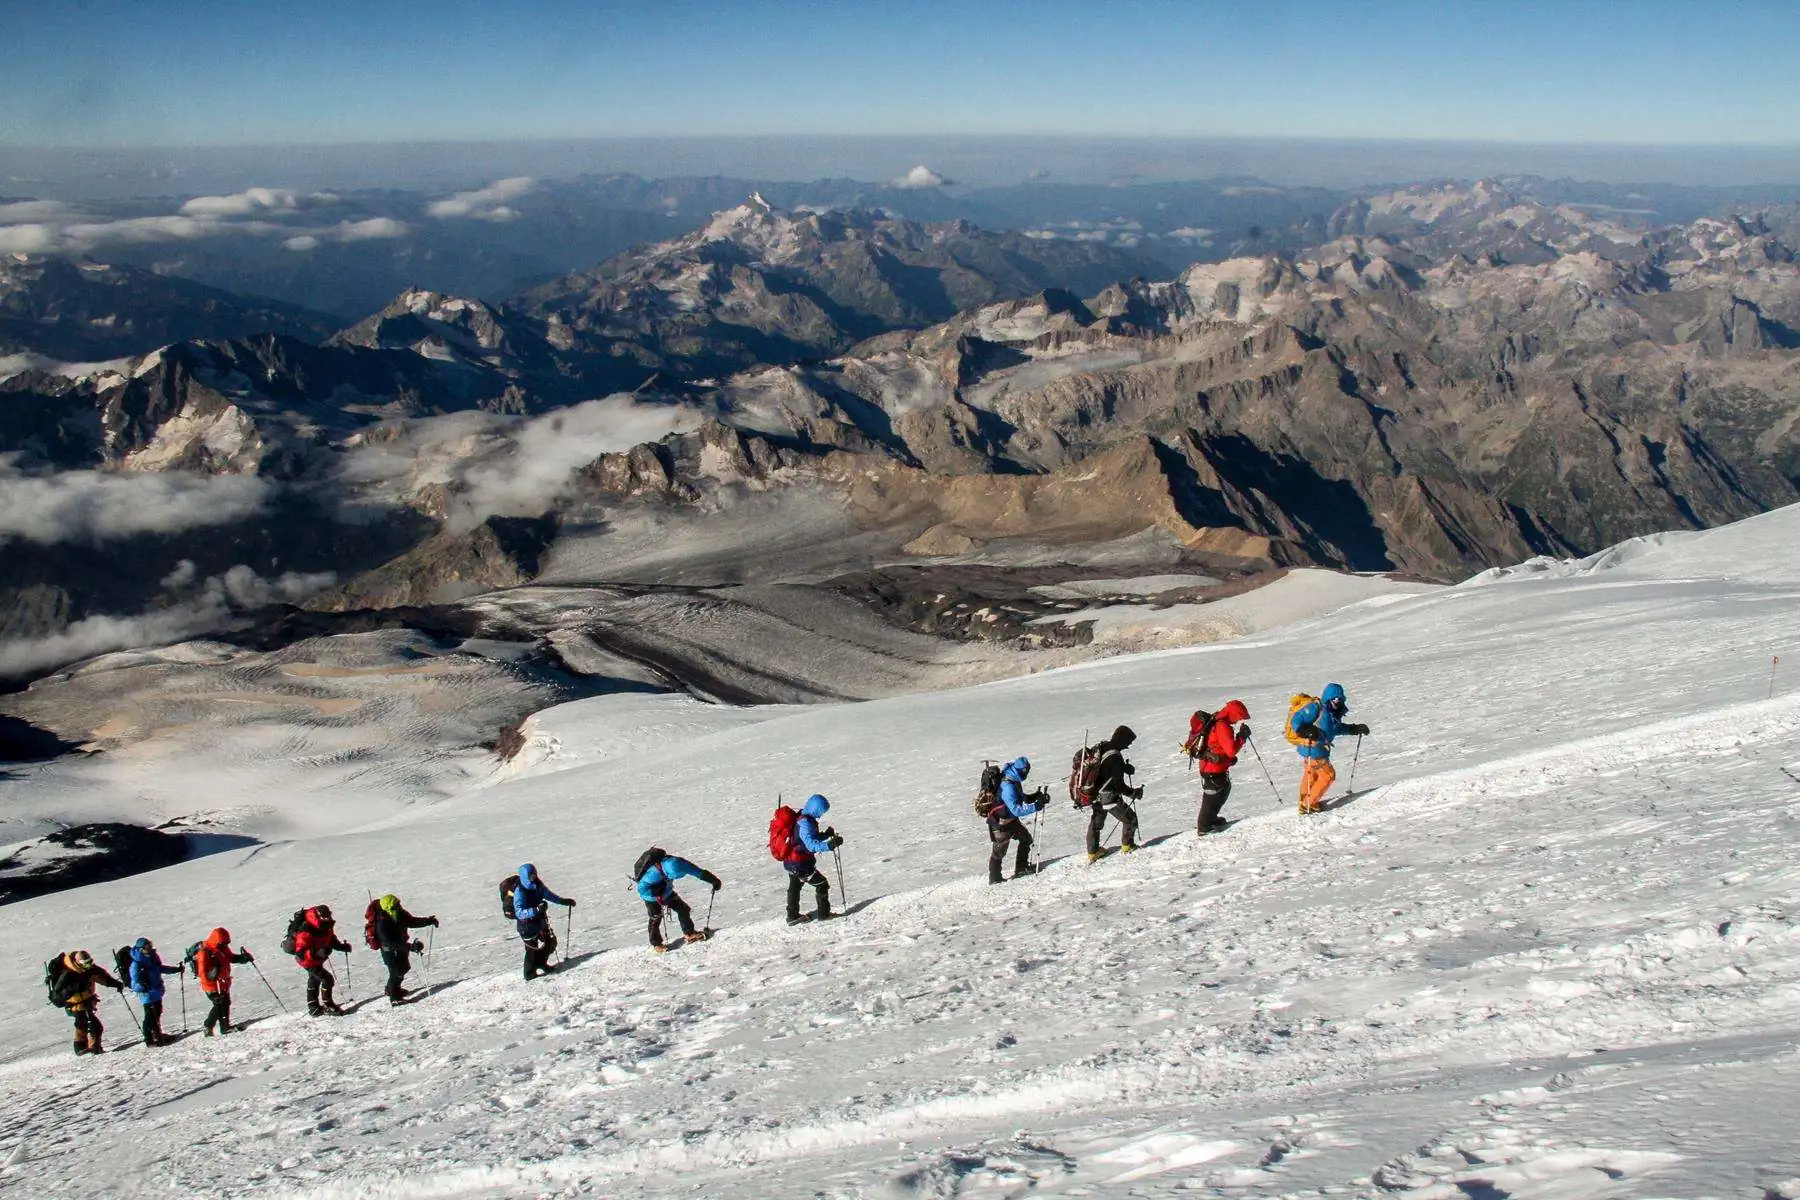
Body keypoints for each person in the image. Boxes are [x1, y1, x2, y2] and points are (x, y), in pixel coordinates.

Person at [1290, 682, 1370, 814]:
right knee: (1328, 775)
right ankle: (1308, 804)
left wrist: (1353, 729)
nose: (1337, 700)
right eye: (1334, 698)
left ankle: (1304, 802)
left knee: (1312, 775)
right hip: (1314, 748)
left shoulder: (1333, 713)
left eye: (1339, 698)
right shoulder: (1317, 708)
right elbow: (1296, 720)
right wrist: (1304, 729)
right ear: (1328, 697)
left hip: (1316, 749)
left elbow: (1335, 729)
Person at [634, 850, 721, 951]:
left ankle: (690, 933)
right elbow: (641, 889)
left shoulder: (682, 864)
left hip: (667, 891)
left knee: (683, 909)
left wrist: (714, 881)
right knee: (656, 917)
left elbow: (699, 873)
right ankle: (656, 944)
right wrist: (655, 893)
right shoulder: (653, 873)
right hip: (650, 897)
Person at [777, 794, 842, 925]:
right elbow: (810, 845)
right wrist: (829, 845)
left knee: (794, 887)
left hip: (791, 861)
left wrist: (825, 835)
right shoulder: (805, 823)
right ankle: (824, 914)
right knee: (822, 884)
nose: (821, 814)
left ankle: (792, 915)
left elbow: (807, 839)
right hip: (801, 864)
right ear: (816, 809)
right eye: (821, 811)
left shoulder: (803, 817)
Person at [46, 949, 124, 1056]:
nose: (89, 965)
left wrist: (116, 984)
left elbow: (101, 977)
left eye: (90, 962)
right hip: (75, 1005)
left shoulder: (88, 969)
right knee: (93, 1026)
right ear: (78, 963)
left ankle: (82, 1049)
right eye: (86, 963)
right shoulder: (67, 974)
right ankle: (93, 1049)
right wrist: (75, 987)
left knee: (83, 1025)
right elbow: (57, 998)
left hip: (87, 1002)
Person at [1193, 700, 1252, 834]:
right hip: (1212, 768)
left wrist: (1228, 760)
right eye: (1239, 716)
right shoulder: (1222, 726)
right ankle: (1204, 827)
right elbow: (1230, 750)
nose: (1239, 720)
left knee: (1220, 791)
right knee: (1214, 795)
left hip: (1211, 766)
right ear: (1233, 714)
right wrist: (1241, 738)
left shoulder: (1217, 719)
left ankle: (1210, 820)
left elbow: (1221, 748)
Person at [1085, 726, 1143, 861]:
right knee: (1130, 819)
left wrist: (1125, 768)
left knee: (1096, 824)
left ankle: (1093, 852)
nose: (1128, 746)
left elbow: (1107, 768)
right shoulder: (1116, 757)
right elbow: (1119, 785)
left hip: (1095, 795)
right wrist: (1133, 793)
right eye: (1128, 742)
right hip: (1109, 797)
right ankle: (1127, 846)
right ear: (1122, 740)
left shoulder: (1104, 747)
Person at [989, 757, 1049, 884]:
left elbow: (1021, 798)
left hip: (1010, 820)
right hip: (1001, 824)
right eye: (1025, 771)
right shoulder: (1008, 786)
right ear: (1019, 770)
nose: (1026, 774)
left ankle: (1021, 868)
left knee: (1026, 839)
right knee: (999, 852)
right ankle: (994, 879)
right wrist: (1036, 806)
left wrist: (1035, 797)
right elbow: (1016, 809)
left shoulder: (1013, 779)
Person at [372, 894, 439, 1005]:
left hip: (401, 944)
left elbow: (411, 921)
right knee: (395, 971)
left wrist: (428, 921)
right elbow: (390, 943)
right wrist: (410, 947)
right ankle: (395, 998)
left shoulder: (400, 913)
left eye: (398, 904)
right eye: (395, 906)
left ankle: (391, 989)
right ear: (387, 908)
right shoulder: (382, 923)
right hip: (388, 949)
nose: (398, 907)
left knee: (404, 967)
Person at [512, 863, 576, 980]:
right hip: (526, 926)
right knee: (532, 950)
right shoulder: (520, 892)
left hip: (539, 922)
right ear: (526, 876)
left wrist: (564, 901)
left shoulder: (537, 885)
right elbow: (519, 913)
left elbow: (549, 895)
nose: (534, 877)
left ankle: (541, 963)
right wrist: (536, 910)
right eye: (531, 876)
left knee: (550, 942)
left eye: (535, 875)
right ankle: (529, 974)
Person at [291, 905, 353, 1016]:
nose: (327, 918)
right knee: (327, 980)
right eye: (324, 917)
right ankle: (328, 1005)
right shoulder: (306, 929)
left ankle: (313, 1008)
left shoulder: (326, 925)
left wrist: (342, 947)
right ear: (318, 917)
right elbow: (300, 952)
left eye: (328, 916)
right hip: (308, 961)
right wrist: (317, 953)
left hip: (317, 959)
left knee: (314, 980)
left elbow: (331, 940)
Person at [191, 927, 254, 1036]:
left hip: (222, 982)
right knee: (220, 1005)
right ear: (216, 940)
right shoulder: (204, 952)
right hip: (212, 985)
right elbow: (202, 972)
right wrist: (211, 976)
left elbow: (231, 958)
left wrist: (243, 958)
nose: (225, 945)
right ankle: (210, 1026)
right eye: (223, 942)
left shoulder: (222, 948)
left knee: (224, 1003)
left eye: (226, 942)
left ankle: (224, 1026)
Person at [125, 937, 184, 1046]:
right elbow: (134, 983)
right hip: (147, 993)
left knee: (157, 1013)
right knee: (150, 1017)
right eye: (148, 946)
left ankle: (157, 1035)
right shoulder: (136, 964)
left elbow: (160, 968)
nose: (150, 948)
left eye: (150, 945)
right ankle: (149, 1040)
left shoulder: (152, 957)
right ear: (141, 948)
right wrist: (141, 986)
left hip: (156, 991)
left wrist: (175, 969)